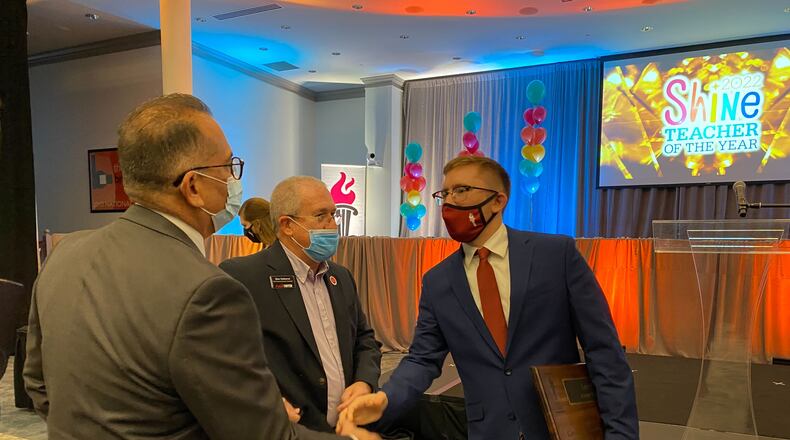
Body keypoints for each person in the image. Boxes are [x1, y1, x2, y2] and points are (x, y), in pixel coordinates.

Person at [24, 94, 377, 440]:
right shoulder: (208, 289)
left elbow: (40, 387)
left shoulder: (65, 253)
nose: (233, 180)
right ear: (193, 186)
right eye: (228, 166)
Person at [339, 156, 638, 440]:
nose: (450, 201)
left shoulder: (555, 255)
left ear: (498, 200)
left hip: (562, 426)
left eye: (462, 190)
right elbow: (422, 359)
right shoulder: (437, 281)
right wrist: (385, 399)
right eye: (445, 193)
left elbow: (604, 352)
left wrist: (621, 434)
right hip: (489, 430)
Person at [220, 176, 382, 433]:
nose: (333, 225)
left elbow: (364, 339)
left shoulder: (341, 277)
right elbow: (225, 360)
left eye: (333, 214)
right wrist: (263, 401)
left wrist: (364, 382)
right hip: (289, 431)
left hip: (346, 429)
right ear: (287, 225)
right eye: (321, 216)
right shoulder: (244, 277)